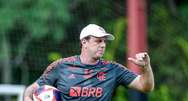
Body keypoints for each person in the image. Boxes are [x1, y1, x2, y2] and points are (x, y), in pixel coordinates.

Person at [23, 24, 154, 101]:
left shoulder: (113, 69)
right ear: (84, 42)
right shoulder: (61, 66)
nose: (103, 45)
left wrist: (146, 67)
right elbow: (30, 90)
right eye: (98, 41)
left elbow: (145, 86)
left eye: (104, 41)